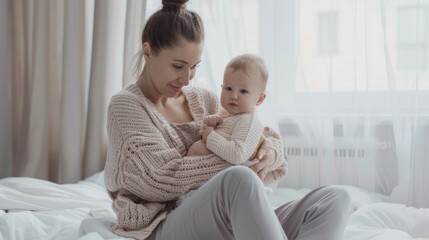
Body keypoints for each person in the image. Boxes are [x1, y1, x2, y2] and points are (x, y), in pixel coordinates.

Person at [104, 0, 352, 240]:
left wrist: (269, 153)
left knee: (335, 198)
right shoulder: (126, 106)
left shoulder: (205, 100)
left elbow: (257, 136)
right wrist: (241, 159)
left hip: (225, 218)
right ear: (148, 52)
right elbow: (159, 180)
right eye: (178, 65)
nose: (187, 78)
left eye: (194, 67)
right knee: (238, 179)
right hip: (164, 224)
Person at [187, 53, 269, 167]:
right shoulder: (225, 113)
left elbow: (238, 155)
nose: (234, 96)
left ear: (259, 99)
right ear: (221, 87)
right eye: (229, 88)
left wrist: (211, 136)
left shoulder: (249, 122)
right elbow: (203, 134)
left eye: (243, 91)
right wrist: (208, 124)